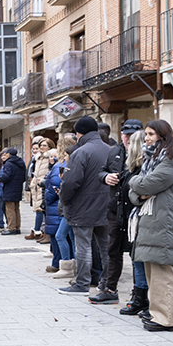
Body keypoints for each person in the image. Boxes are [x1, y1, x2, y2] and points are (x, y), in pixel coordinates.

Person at [128, 120, 173, 332]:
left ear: (163, 136)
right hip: (152, 220)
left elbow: (145, 184)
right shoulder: (154, 159)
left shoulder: (172, 160)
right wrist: (139, 191)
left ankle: (165, 319)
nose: (147, 138)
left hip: (163, 221)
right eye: (146, 134)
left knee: (162, 271)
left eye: (151, 134)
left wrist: (134, 183)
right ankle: (157, 314)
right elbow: (140, 191)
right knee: (152, 271)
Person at [58, 116, 111, 295]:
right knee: (105, 247)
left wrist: (64, 200)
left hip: (83, 207)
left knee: (84, 246)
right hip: (106, 207)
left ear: (79, 133)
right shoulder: (110, 150)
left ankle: (82, 283)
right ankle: (107, 282)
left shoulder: (80, 152)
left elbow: (70, 182)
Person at [93, 119, 143, 305]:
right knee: (113, 250)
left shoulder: (145, 154)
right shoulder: (114, 151)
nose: (128, 138)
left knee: (136, 254)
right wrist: (106, 177)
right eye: (125, 134)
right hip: (115, 209)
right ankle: (110, 289)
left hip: (136, 211)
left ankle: (138, 293)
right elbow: (101, 172)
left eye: (132, 134)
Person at [118, 129, 151, 317]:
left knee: (140, 259)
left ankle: (142, 297)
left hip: (140, 217)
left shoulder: (143, 168)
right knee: (135, 258)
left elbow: (139, 192)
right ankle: (139, 295)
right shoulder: (132, 168)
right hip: (131, 218)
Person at [50, 135, 78, 281]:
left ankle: (67, 266)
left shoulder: (70, 170)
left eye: (66, 155)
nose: (64, 157)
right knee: (72, 238)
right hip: (66, 208)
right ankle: (74, 266)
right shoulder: (67, 169)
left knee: (60, 235)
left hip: (69, 209)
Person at [27, 138, 55, 241]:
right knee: (40, 210)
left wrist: (43, 181)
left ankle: (44, 234)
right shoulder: (37, 158)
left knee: (44, 210)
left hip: (45, 186)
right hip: (37, 186)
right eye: (41, 145)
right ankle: (40, 232)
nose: (41, 148)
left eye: (44, 145)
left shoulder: (50, 157)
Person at [0, 147, 26, 236]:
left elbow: (7, 176)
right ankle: (17, 227)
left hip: (9, 188)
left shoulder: (9, 163)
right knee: (16, 208)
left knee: (10, 209)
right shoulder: (21, 162)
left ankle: (12, 228)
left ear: (9, 154)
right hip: (18, 187)